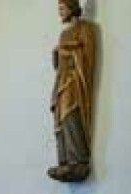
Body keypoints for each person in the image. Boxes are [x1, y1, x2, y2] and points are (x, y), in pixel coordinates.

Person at [47, 0, 98, 183]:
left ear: (72, 8)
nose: (60, 13)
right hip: (62, 81)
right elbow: (58, 65)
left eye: (62, 9)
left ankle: (78, 159)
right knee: (60, 117)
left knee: (71, 115)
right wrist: (57, 54)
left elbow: (87, 56)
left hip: (75, 82)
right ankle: (65, 160)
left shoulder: (86, 28)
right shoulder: (64, 34)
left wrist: (68, 51)